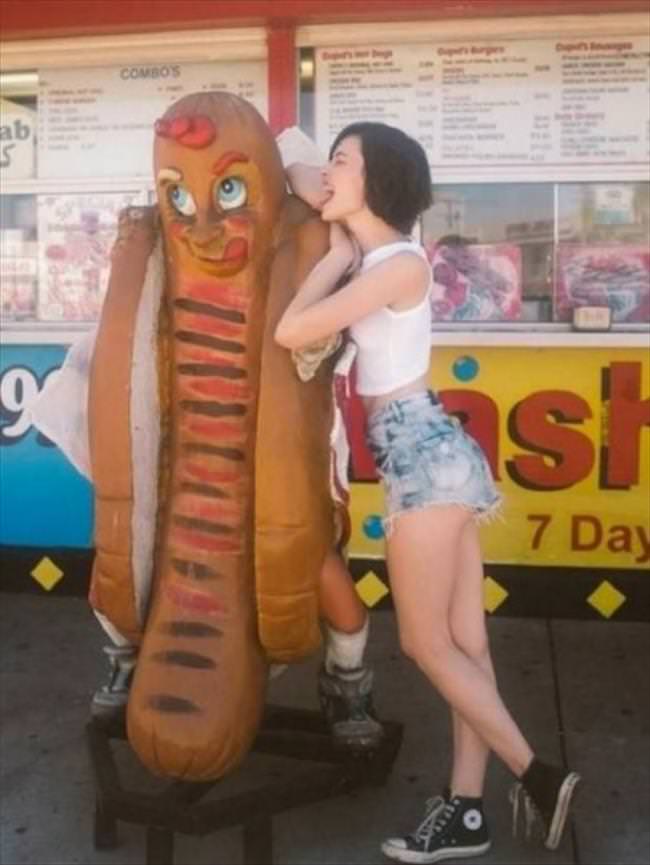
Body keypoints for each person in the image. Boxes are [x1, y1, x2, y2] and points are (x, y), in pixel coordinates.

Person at [275, 121, 581, 862]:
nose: (329, 174)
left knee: (423, 642)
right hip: (433, 453)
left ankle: (537, 775)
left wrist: (338, 253)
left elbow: (291, 330)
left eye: (343, 163)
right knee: (466, 645)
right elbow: (294, 159)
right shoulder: (385, 257)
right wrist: (335, 218)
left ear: (374, 181)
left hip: (421, 458)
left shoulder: (395, 265)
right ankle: (468, 813)